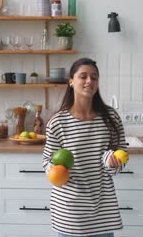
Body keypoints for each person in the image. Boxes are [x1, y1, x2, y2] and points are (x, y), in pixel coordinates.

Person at [43, 58, 128, 237]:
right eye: (83, 76)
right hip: (69, 209)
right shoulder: (58, 122)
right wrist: (56, 171)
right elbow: (47, 160)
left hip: (102, 208)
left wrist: (113, 164)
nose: (90, 81)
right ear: (71, 81)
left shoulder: (110, 117)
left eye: (94, 77)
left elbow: (121, 153)